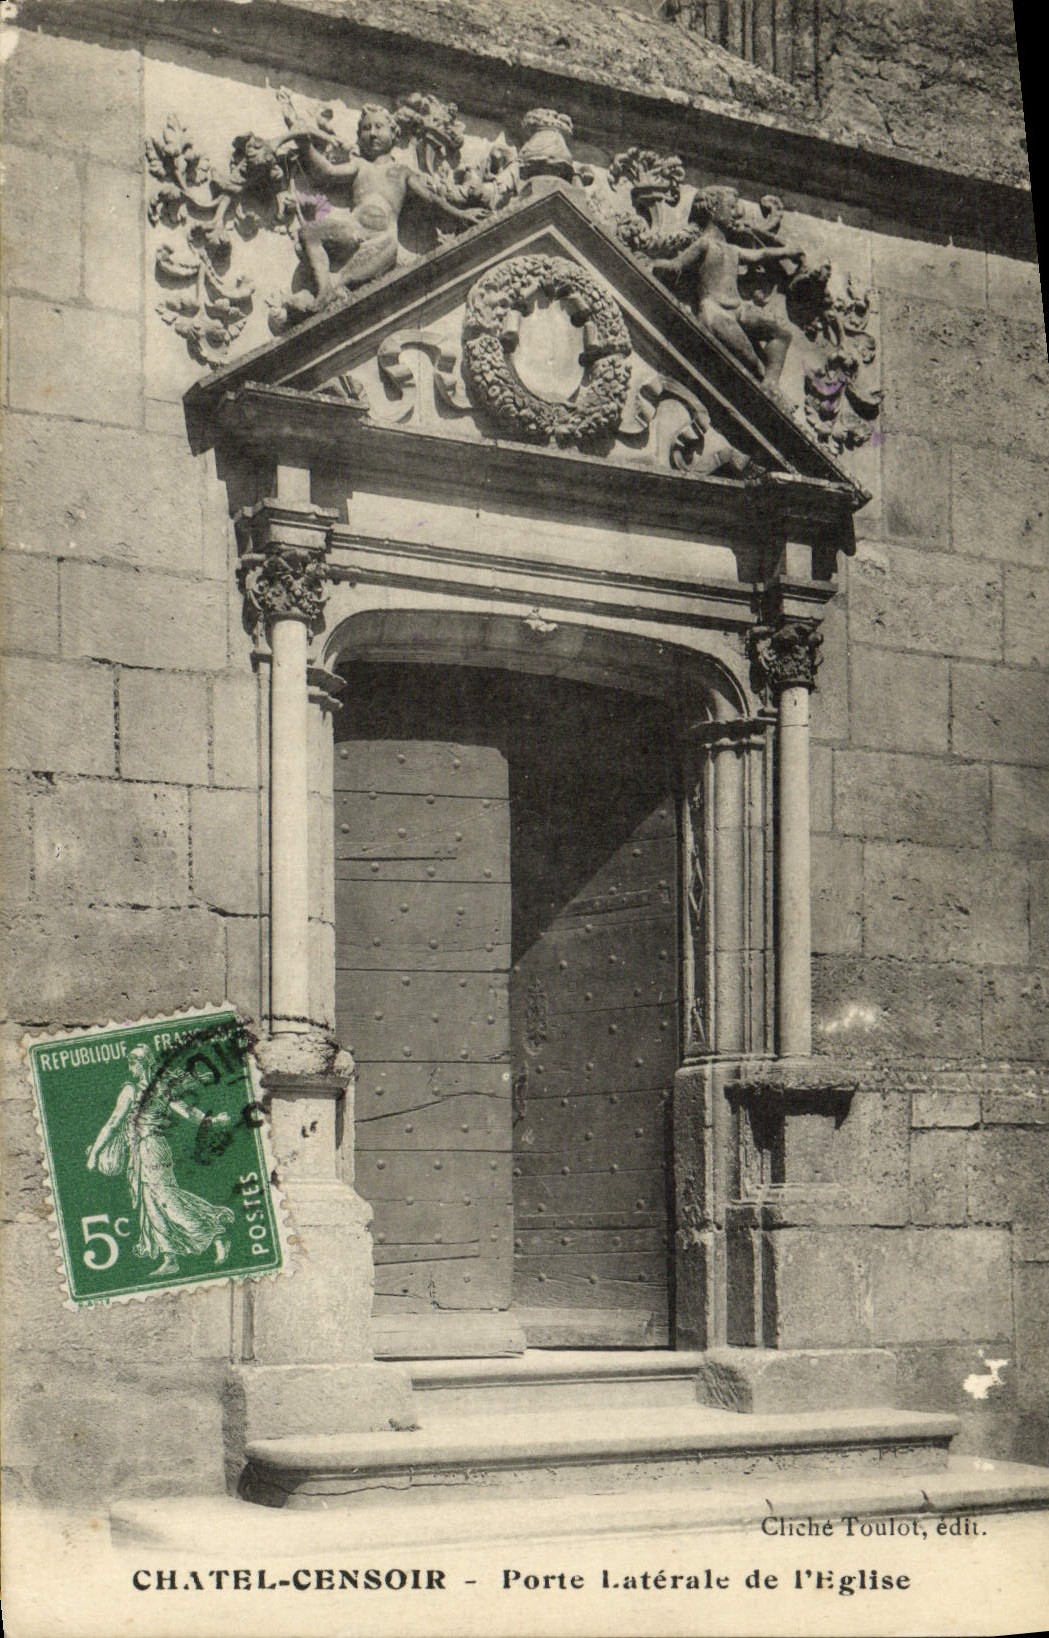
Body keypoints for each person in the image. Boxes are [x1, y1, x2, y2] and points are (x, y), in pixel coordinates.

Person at [283, 104, 484, 307]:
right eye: (366, 128)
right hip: (353, 228)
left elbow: (431, 199)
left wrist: (461, 214)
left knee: (343, 282)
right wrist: (306, 146)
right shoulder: (360, 165)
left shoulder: (401, 172)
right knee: (309, 233)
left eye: (379, 127)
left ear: (394, 134)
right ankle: (323, 290)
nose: (372, 133)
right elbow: (328, 172)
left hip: (383, 240)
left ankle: (328, 292)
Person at [85, 1044, 234, 1278]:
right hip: (148, 1149)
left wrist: (95, 1153)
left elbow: (113, 1123)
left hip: (150, 1148)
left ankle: (215, 1232)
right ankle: (170, 1258)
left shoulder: (133, 1090)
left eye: (132, 1063)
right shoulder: (161, 1088)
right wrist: (212, 1121)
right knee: (152, 1206)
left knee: (166, 1200)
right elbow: (189, 1112)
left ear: (140, 1064)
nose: (130, 1068)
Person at [651, 185, 803, 389]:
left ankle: (771, 385)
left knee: (782, 333)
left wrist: (786, 251)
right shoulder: (705, 244)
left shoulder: (732, 249)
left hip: (738, 309)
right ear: (713, 209)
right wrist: (655, 265)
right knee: (751, 362)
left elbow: (761, 254)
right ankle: (763, 384)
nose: (737, 213)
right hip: (716, 312)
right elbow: (677, 265)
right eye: (731, 207)